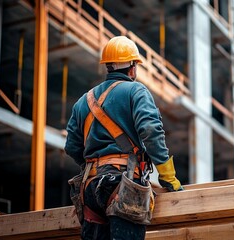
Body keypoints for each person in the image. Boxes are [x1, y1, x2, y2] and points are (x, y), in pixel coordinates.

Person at [65, 35, 183, 240]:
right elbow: (151, 132)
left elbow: (72, 147)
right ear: (133, 68)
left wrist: (96, 164)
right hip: (123, 185)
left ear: (108, 67)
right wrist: (167, 176)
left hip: (90, 189)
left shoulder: (83, 101)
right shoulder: (136, 91)